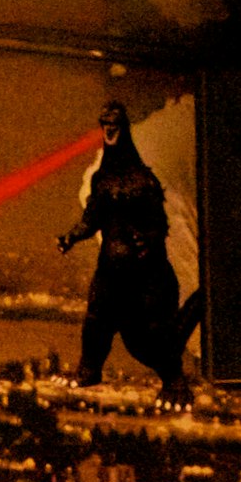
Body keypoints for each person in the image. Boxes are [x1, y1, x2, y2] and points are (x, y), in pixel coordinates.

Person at [56, 100, 195, 396]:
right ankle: (88, 370)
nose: (109, 129)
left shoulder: (144, 180)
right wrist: (70, 237)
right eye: (104, 124)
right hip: (111, 272)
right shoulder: (101, 179)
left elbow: (159, 222)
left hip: (146, 275)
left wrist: (149, 239)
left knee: (148, 338)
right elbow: (91, 219)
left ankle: (174, 380)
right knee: (96, 322)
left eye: (113, 124)